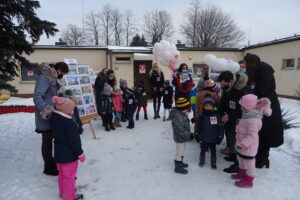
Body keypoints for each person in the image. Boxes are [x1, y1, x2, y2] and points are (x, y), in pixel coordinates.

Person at [244, 53, 284, 168]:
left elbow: (261, 90)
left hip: (267, 104)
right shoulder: (257, 71)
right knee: (259, 132)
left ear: (251, 63)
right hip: (259, 104)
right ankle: (259, 157)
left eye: (246, 64)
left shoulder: (264, 71)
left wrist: (250, 96)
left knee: (266, 131)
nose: (245, 66)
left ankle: (263, 159)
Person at [33, 62, 69, 176]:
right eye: (62, 72)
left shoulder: (53, 78)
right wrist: (46, 109)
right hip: (45, 114)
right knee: (47, 140)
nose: (62, 75)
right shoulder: (44, 77)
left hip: (53, 114)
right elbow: (37, 96)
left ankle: (51, 162)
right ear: (59, 69)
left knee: (50, 139)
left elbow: (53, 95)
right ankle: (48, 167)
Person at [232, 94, 272, 188]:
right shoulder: (247, 116)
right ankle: (242, 173)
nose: (240, 107)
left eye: (242, 105)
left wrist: (241, 144)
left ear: (247, 107)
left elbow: (252, 136)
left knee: (249, 163)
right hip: (241, 144)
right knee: (241, 159)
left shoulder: (252, 120)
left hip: (248, 147)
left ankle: (248, 180)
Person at [50, 96, 85, 200]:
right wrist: (80, 154)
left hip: (59, 155)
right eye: (72, 109)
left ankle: (63, 193)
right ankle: (70, 197)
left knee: (61, 174)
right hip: (69, 156)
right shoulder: (69, 124)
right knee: (69, 177)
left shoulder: (55, 119)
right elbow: (73, 142)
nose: (73, 111)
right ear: (67, 110)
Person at [218, 71, 252, 173]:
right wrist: (221, 113)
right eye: (221, 82)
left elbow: (245, 108)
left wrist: (230, 115)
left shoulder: (243, 89)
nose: (221, 84)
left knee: (238, 138)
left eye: (223, 82)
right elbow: (224, 101)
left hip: (241, 118)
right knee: (229, 132)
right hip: (230, 115)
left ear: (231, 81)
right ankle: (232, 153)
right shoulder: (227, 88)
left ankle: (238, 163)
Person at [197, 97, 224, 169]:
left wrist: (220, 136)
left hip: (213, 138)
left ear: (213, 106)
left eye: (210, 105)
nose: (208, 107)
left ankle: (213, 163)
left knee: (213, 151)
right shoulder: (202, 115)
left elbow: (220, 126)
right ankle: (201, 161)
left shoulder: (217, 115)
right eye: (206, 105)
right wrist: (196, 133)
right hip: (204, 137)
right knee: (202, 150)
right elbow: (198, 125)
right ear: (204, 106)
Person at [169, 97, 192, 174]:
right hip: (180, 137)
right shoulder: (177, 116)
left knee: (182, 151)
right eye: (186, 108)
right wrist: (188, 134)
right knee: (179, 152)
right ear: (182, 108)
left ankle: (181, 162)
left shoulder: (182, 113)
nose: (188, 110)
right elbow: (179, 130)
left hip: (184, 137)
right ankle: (177, 167)